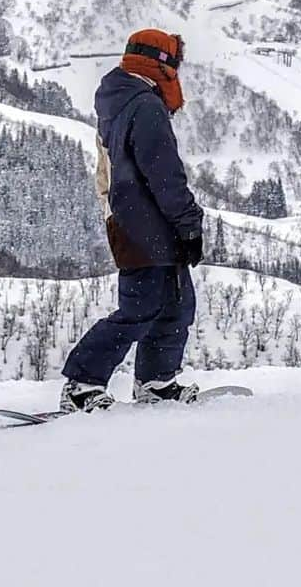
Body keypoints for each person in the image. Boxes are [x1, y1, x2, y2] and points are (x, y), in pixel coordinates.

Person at [60, 29, 204, 412]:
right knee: (142, 306)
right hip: (144, 222)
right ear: (161, 63)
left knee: (175, 303)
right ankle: (81, 383)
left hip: (137, 219)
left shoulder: (119, 100)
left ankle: (157, 381)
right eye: (174, 64)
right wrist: (189, 222)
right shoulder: (144, 105)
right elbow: (164, 173)